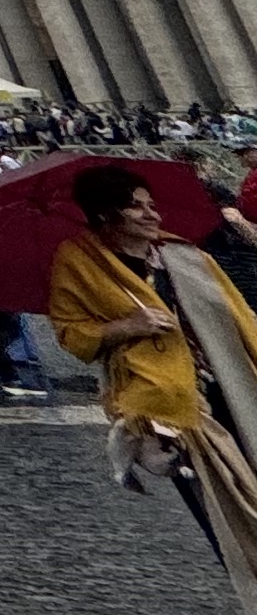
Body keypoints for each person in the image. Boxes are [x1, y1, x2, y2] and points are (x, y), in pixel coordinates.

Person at [48, 161, 257, 568]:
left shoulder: (181, 255)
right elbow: (72, 334)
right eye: (137, 207)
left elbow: (240, 317)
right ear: (106, 213)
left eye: (151, 205)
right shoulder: (78, 263)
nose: (152, 215)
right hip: (167, 405)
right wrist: (126, 327)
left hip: (229, 383)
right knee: (219, 505)